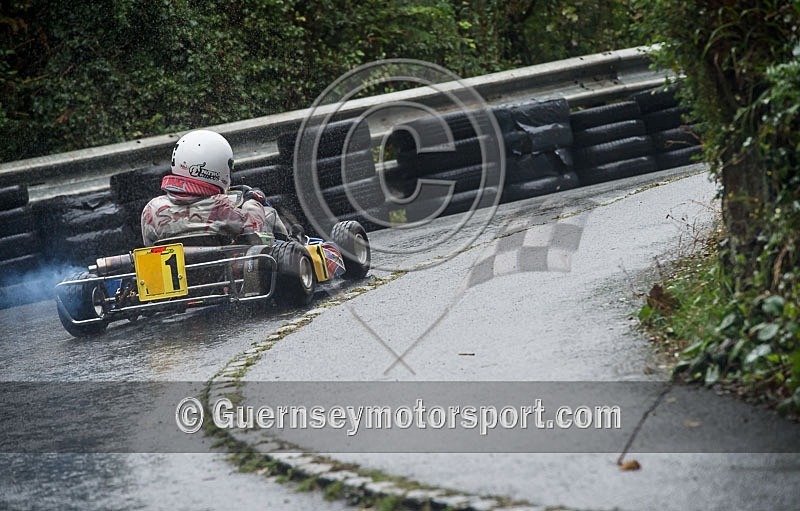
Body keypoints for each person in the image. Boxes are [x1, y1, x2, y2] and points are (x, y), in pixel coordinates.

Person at [141, 129, 288, 246]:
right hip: (228, 280)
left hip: (176, 281)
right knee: (269, 214)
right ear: (217, 166)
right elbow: (256, 234)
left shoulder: (151, 210)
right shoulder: (223, 206)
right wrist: (252, 201)